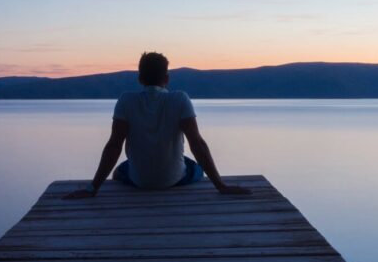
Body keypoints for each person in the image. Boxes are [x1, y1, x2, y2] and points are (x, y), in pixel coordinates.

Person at [63, 52, 251, 199]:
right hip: (174, 180)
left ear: (140, 78)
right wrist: (221, 186)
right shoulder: (180, 99)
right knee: (194, 167)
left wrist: (92, 188)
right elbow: (197, 144)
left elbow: (114, 145)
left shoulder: (126, 101)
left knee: (119, 172)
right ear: (166, 78)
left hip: (139, 181)